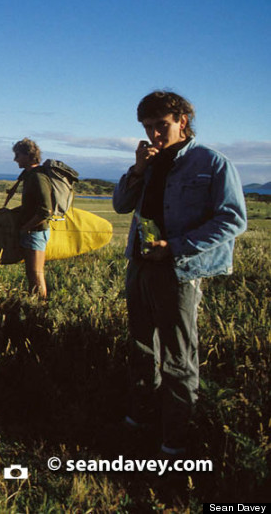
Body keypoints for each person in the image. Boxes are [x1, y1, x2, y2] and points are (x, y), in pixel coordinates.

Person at [113, 90, 247, 456]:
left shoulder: (212, 163)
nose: (155, 134)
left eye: (162, 126)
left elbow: (233, 219)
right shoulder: (151, 162)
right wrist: (138, 169)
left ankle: (175, 441)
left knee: (177, 358)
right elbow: (121, 204)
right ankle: (140, 421)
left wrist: (175, 246)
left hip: (179, 272)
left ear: (182, 121)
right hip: (139, 266)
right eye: (148, 127)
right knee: (140, 348)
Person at [5, 138, 52, 298]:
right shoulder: (30, 175)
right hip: (33, 231)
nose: (15, 159)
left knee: (36, 274)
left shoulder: (38, 177)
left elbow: (46, 210)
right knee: (32, 274)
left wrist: (26, 227)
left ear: (28, 155)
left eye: (17, 155)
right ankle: (36, 307)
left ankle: (40, 310)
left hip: (36, 232)